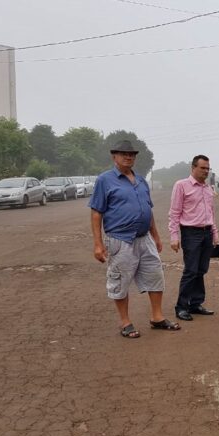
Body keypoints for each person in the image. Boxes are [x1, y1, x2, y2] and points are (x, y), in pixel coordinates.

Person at [89, 140, 180, 338]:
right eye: (123, 154)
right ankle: (125, 322)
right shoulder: (105, 180)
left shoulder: (140, 180)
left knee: (155, 276)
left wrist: (155, 235)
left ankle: (157, 317)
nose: (128, 157)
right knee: (120, 280)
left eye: (131, 154)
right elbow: (96, 212)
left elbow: (148, 209)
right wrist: (97, 244)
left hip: (144, 237)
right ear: (114, 157)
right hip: (120, 239)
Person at [168, 155, 219, 321]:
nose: (205, 171)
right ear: (193, 168)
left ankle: (196, 304)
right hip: (191, 233)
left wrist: (215, 235)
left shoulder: (208, 188)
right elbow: (174, 213)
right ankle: (181, 307)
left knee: (201, 270)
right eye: (202, 168)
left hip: (207, 233)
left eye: (207, 168)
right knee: (190, 271)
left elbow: (211, 213)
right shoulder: (181, 186)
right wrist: (174, 236)